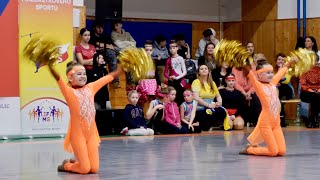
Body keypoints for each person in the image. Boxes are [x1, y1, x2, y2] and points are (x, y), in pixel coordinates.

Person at [51, 62, 122, 173]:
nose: (83, 76)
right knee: (84, 169)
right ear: (70, 77)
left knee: (93, 169)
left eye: (84, 73)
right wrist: (50, 66)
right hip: (77, 136)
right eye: (79, 74)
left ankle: (76, 163)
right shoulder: (69, 92)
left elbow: (108, 78)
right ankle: (66, 166)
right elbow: (58, 79)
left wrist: (121, 69)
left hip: (92, 135)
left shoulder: (91, 87)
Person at [239, 57, 297, 156]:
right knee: (273, 152)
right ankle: (250, 150)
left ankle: (254, 148)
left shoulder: (273, 83)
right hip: (266, 124)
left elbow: (281, 72)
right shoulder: (258, 86)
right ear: (260, 75)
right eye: (268, 73)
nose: (271, 75)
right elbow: (250, 74)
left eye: (271, 72)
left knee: (281, 152)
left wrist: (289, 63)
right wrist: (241, 61)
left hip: (276, 124)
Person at [164, 40, 187, 105]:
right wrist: (169, 77)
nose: (172, 50)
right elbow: (165, 73)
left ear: (177, 48)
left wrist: (177, 77)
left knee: (179, 98)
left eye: (174, 48)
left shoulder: (180, 58)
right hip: (171, 81)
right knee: (171, 98)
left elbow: (184, 72)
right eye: (170, 48)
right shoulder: (168, 59)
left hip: (179, 81)